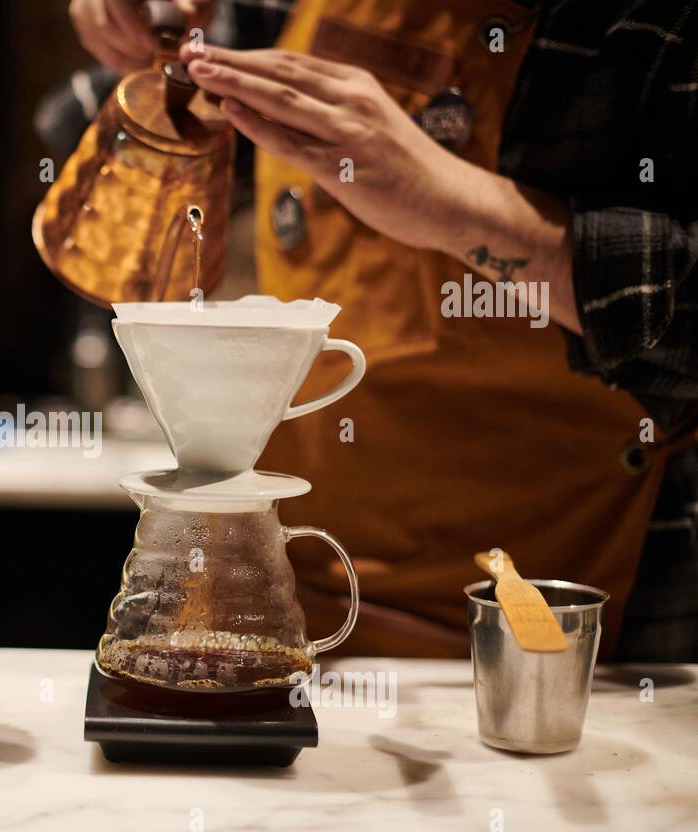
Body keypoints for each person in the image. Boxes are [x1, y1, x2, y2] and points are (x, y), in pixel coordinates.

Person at [65, 0, 698, 660]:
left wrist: (454, 207)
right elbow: (121, 92)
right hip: (294, 590)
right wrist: (129, 25)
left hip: (561, 635)